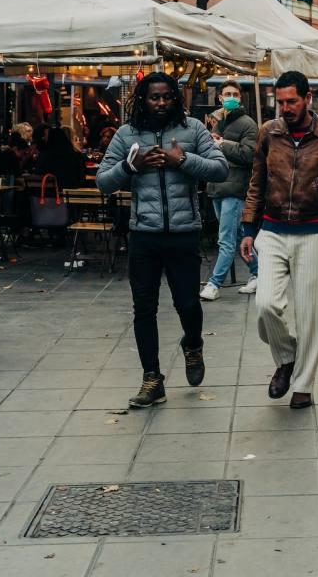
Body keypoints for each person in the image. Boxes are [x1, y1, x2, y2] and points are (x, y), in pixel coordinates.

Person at [97, 72, 228, 408]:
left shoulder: (193, 129)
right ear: (143, 98)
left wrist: (181, 159)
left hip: (184, 232)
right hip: (143, 235)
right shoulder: (127, 135)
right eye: (154, 97)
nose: (160, 103)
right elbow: (103, 182)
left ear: (175, 98)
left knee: (187, 304)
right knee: (144, 308)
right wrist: (131, 166)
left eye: (166, 97)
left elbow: (220, 169)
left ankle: (193, 344)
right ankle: (152, 378)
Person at [240, 71, 318, 409]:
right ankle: (286, 357)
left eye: (291, 101)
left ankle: (303, 385)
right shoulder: (268, 133)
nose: (285, 108)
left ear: (307, 99)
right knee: (266, 306)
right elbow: (256, 184)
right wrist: (248, 229)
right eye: (281, 102)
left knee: (309, 316)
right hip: (272, 231)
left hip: (313, 233)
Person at [200, 80, 259, 301]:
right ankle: (259, 273)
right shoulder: (218, 121)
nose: (231, 96)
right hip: (216, 185)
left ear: (241, 97)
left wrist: (222, 144)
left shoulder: (248, 124)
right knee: (238, 236)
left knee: (225, 239)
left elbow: (249, 155)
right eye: (227, 93)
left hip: (235, 187)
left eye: (235, 93)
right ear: (220, 97)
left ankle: (214, 284)